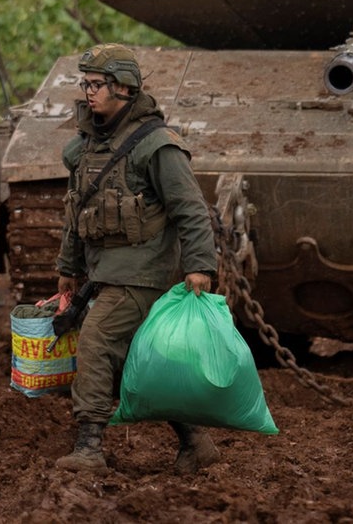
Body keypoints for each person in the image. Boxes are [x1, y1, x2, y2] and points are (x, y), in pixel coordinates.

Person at [54, 43, 220, 475]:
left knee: (95, 340)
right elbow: (77, 211)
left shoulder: (157, 146)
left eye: (97, 85)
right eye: (85, 84)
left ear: (124, 88)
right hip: (103, 272)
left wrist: (200, 266)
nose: (88, 93)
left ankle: (89, 447)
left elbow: (191, 209)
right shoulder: (88, 145)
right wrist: (68, 268)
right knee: (138, 359)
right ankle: (195, 441)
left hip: (143, 273)